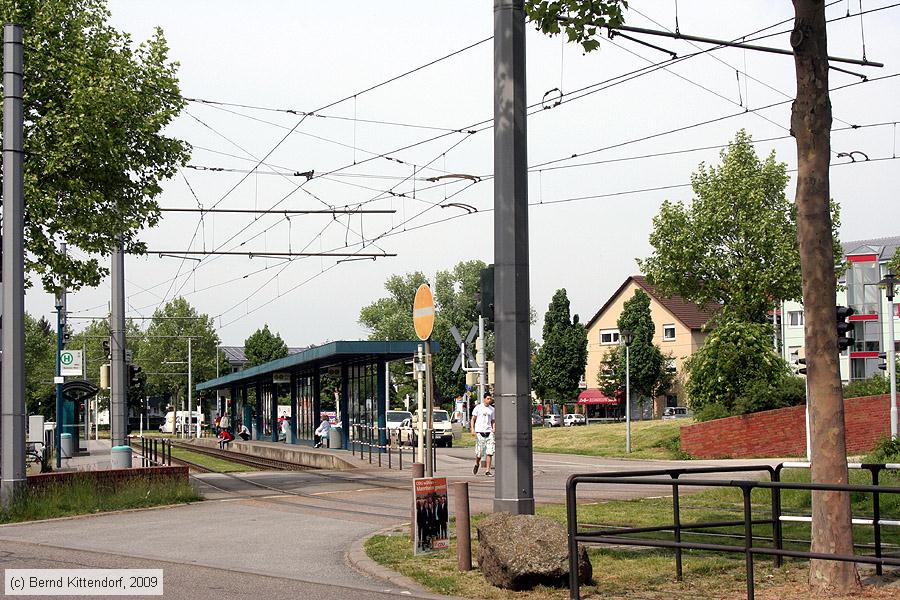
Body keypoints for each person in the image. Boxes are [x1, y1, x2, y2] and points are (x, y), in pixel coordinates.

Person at [470, 395, 495, 477]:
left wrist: (494, 428)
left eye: (490, 398)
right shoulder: (478, 408)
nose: (489, 400)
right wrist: (472, 429)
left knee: (490, 452)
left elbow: (493, 420)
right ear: (484, 399)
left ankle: (487, 470)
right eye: (488, 398)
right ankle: (477, 463)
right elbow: (473, 419)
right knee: (479, 453)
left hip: (489, 432)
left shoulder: (492, 409)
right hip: (479, 432)